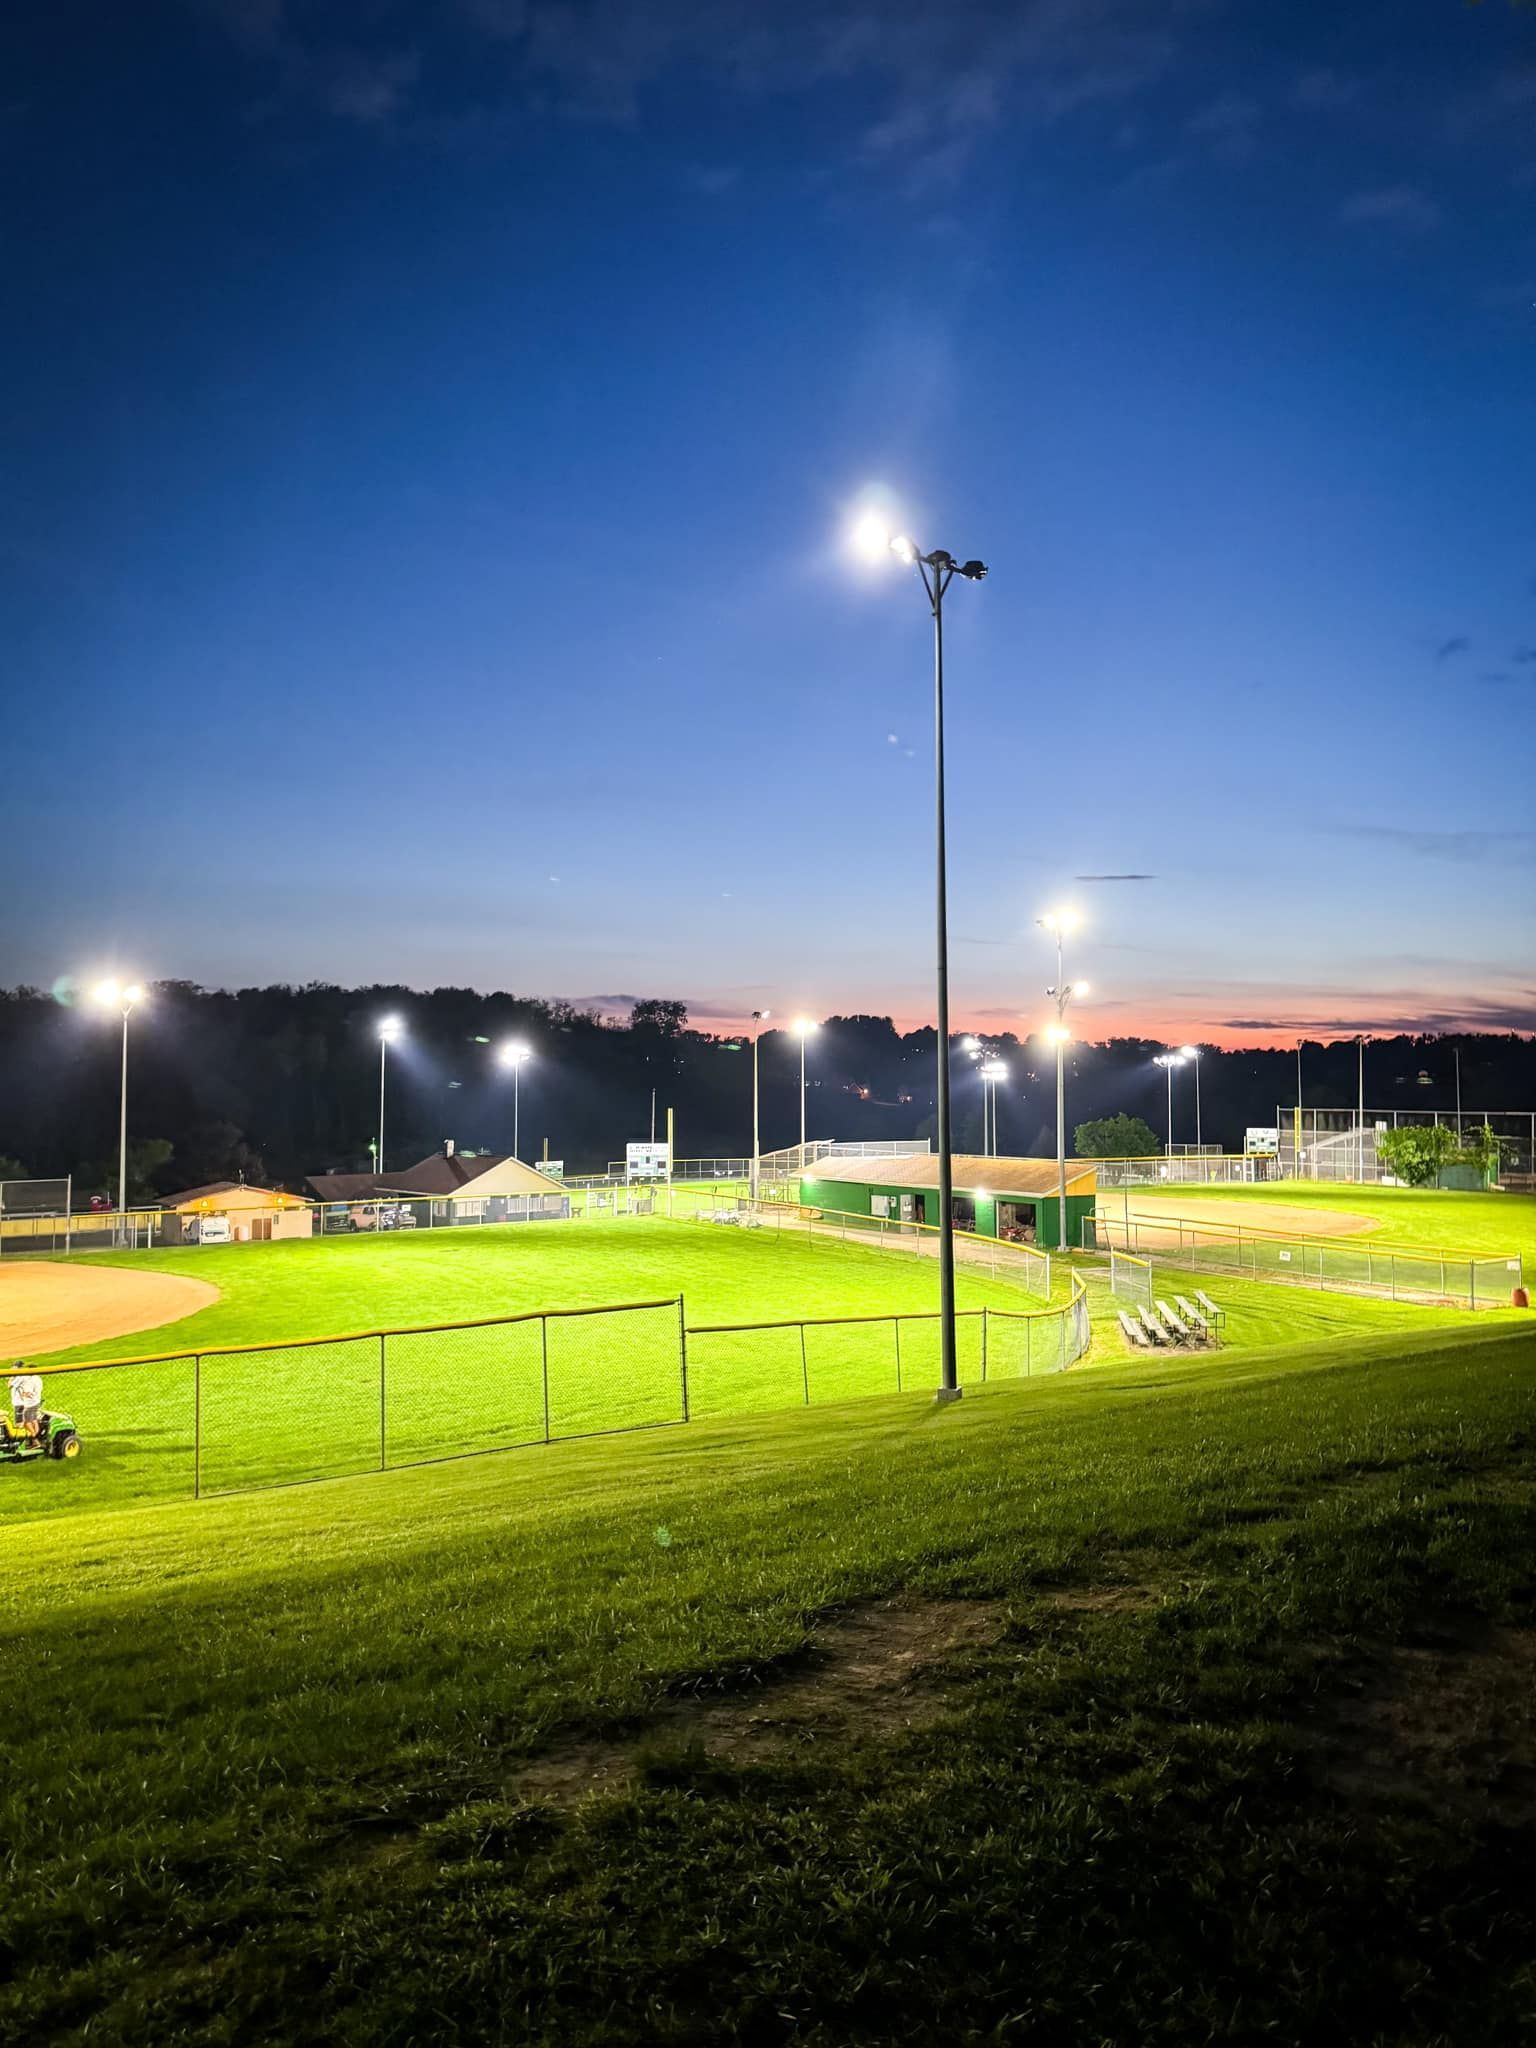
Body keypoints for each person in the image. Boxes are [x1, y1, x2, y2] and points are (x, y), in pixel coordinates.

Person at [8, 1366, 43, 1439]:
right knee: (34, 1420)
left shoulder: (22, 1378)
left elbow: (9, 1386)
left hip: (22, 1403)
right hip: (36, 1402)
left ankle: (33, 1439)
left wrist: (11, 1377)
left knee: (22, 1424)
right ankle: (35, 1438)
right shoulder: (38, 1378)